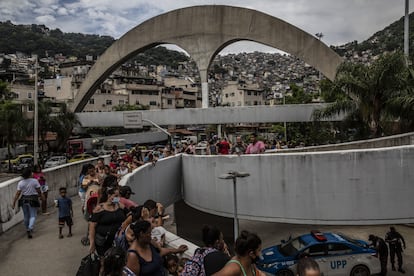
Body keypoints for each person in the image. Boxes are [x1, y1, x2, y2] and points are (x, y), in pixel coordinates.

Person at [89, 186, 126, 256]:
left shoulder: (120, 206)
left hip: (117, 241)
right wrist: (92, 242)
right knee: (104, 261)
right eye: (115, 196)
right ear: (109, 195)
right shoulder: (100, 208)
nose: (116, 198)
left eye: (118, 196)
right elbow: (92, 225)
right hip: (103, 241)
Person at [12, 168, 45, 238]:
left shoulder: (20, 183)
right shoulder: (34, 181)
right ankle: (30, 228)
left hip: (23, 200)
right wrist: (42, 197)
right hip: (33, 199)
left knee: (26, 216)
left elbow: (18, 193)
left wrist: (14, 202)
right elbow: (39, 191)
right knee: (33, 215)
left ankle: (27, 229)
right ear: (30, 174)